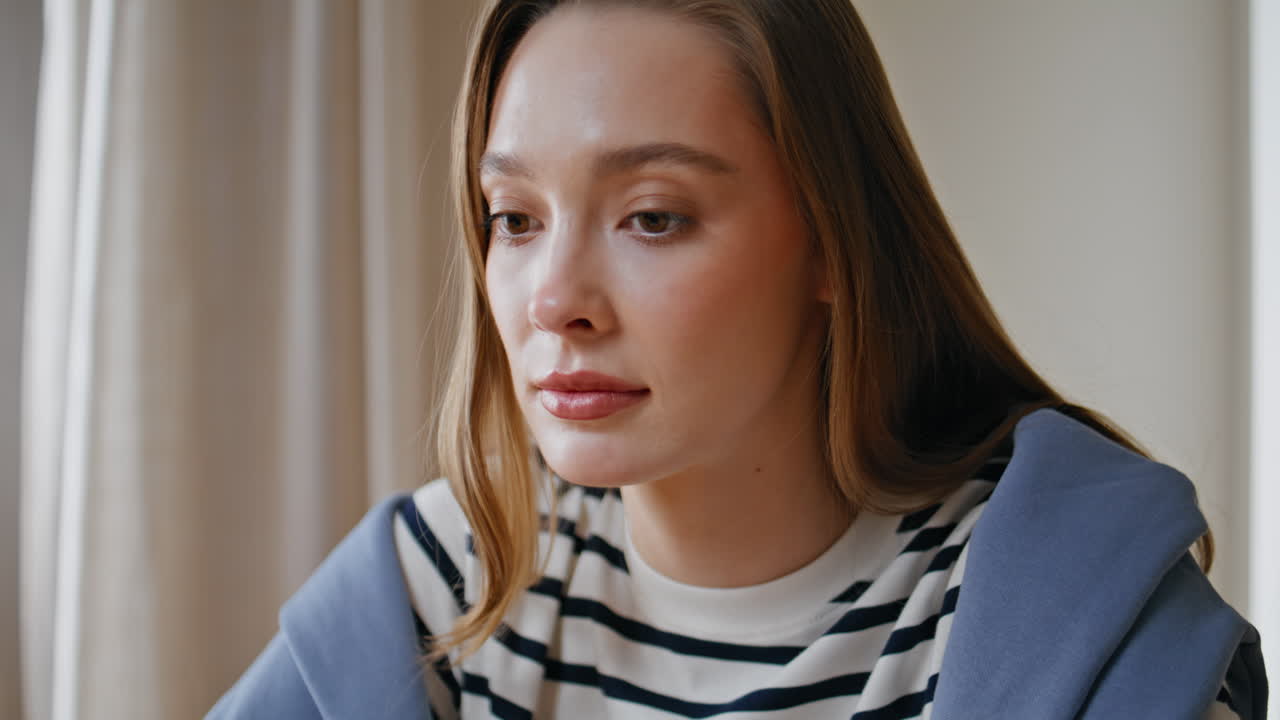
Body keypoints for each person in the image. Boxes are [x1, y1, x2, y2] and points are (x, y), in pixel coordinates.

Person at [209, 1, 1267, 718]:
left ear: (830, 242)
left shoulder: (1056, 616)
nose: (553, 301)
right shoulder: (446, 588)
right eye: (514, 217)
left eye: (653, 217)